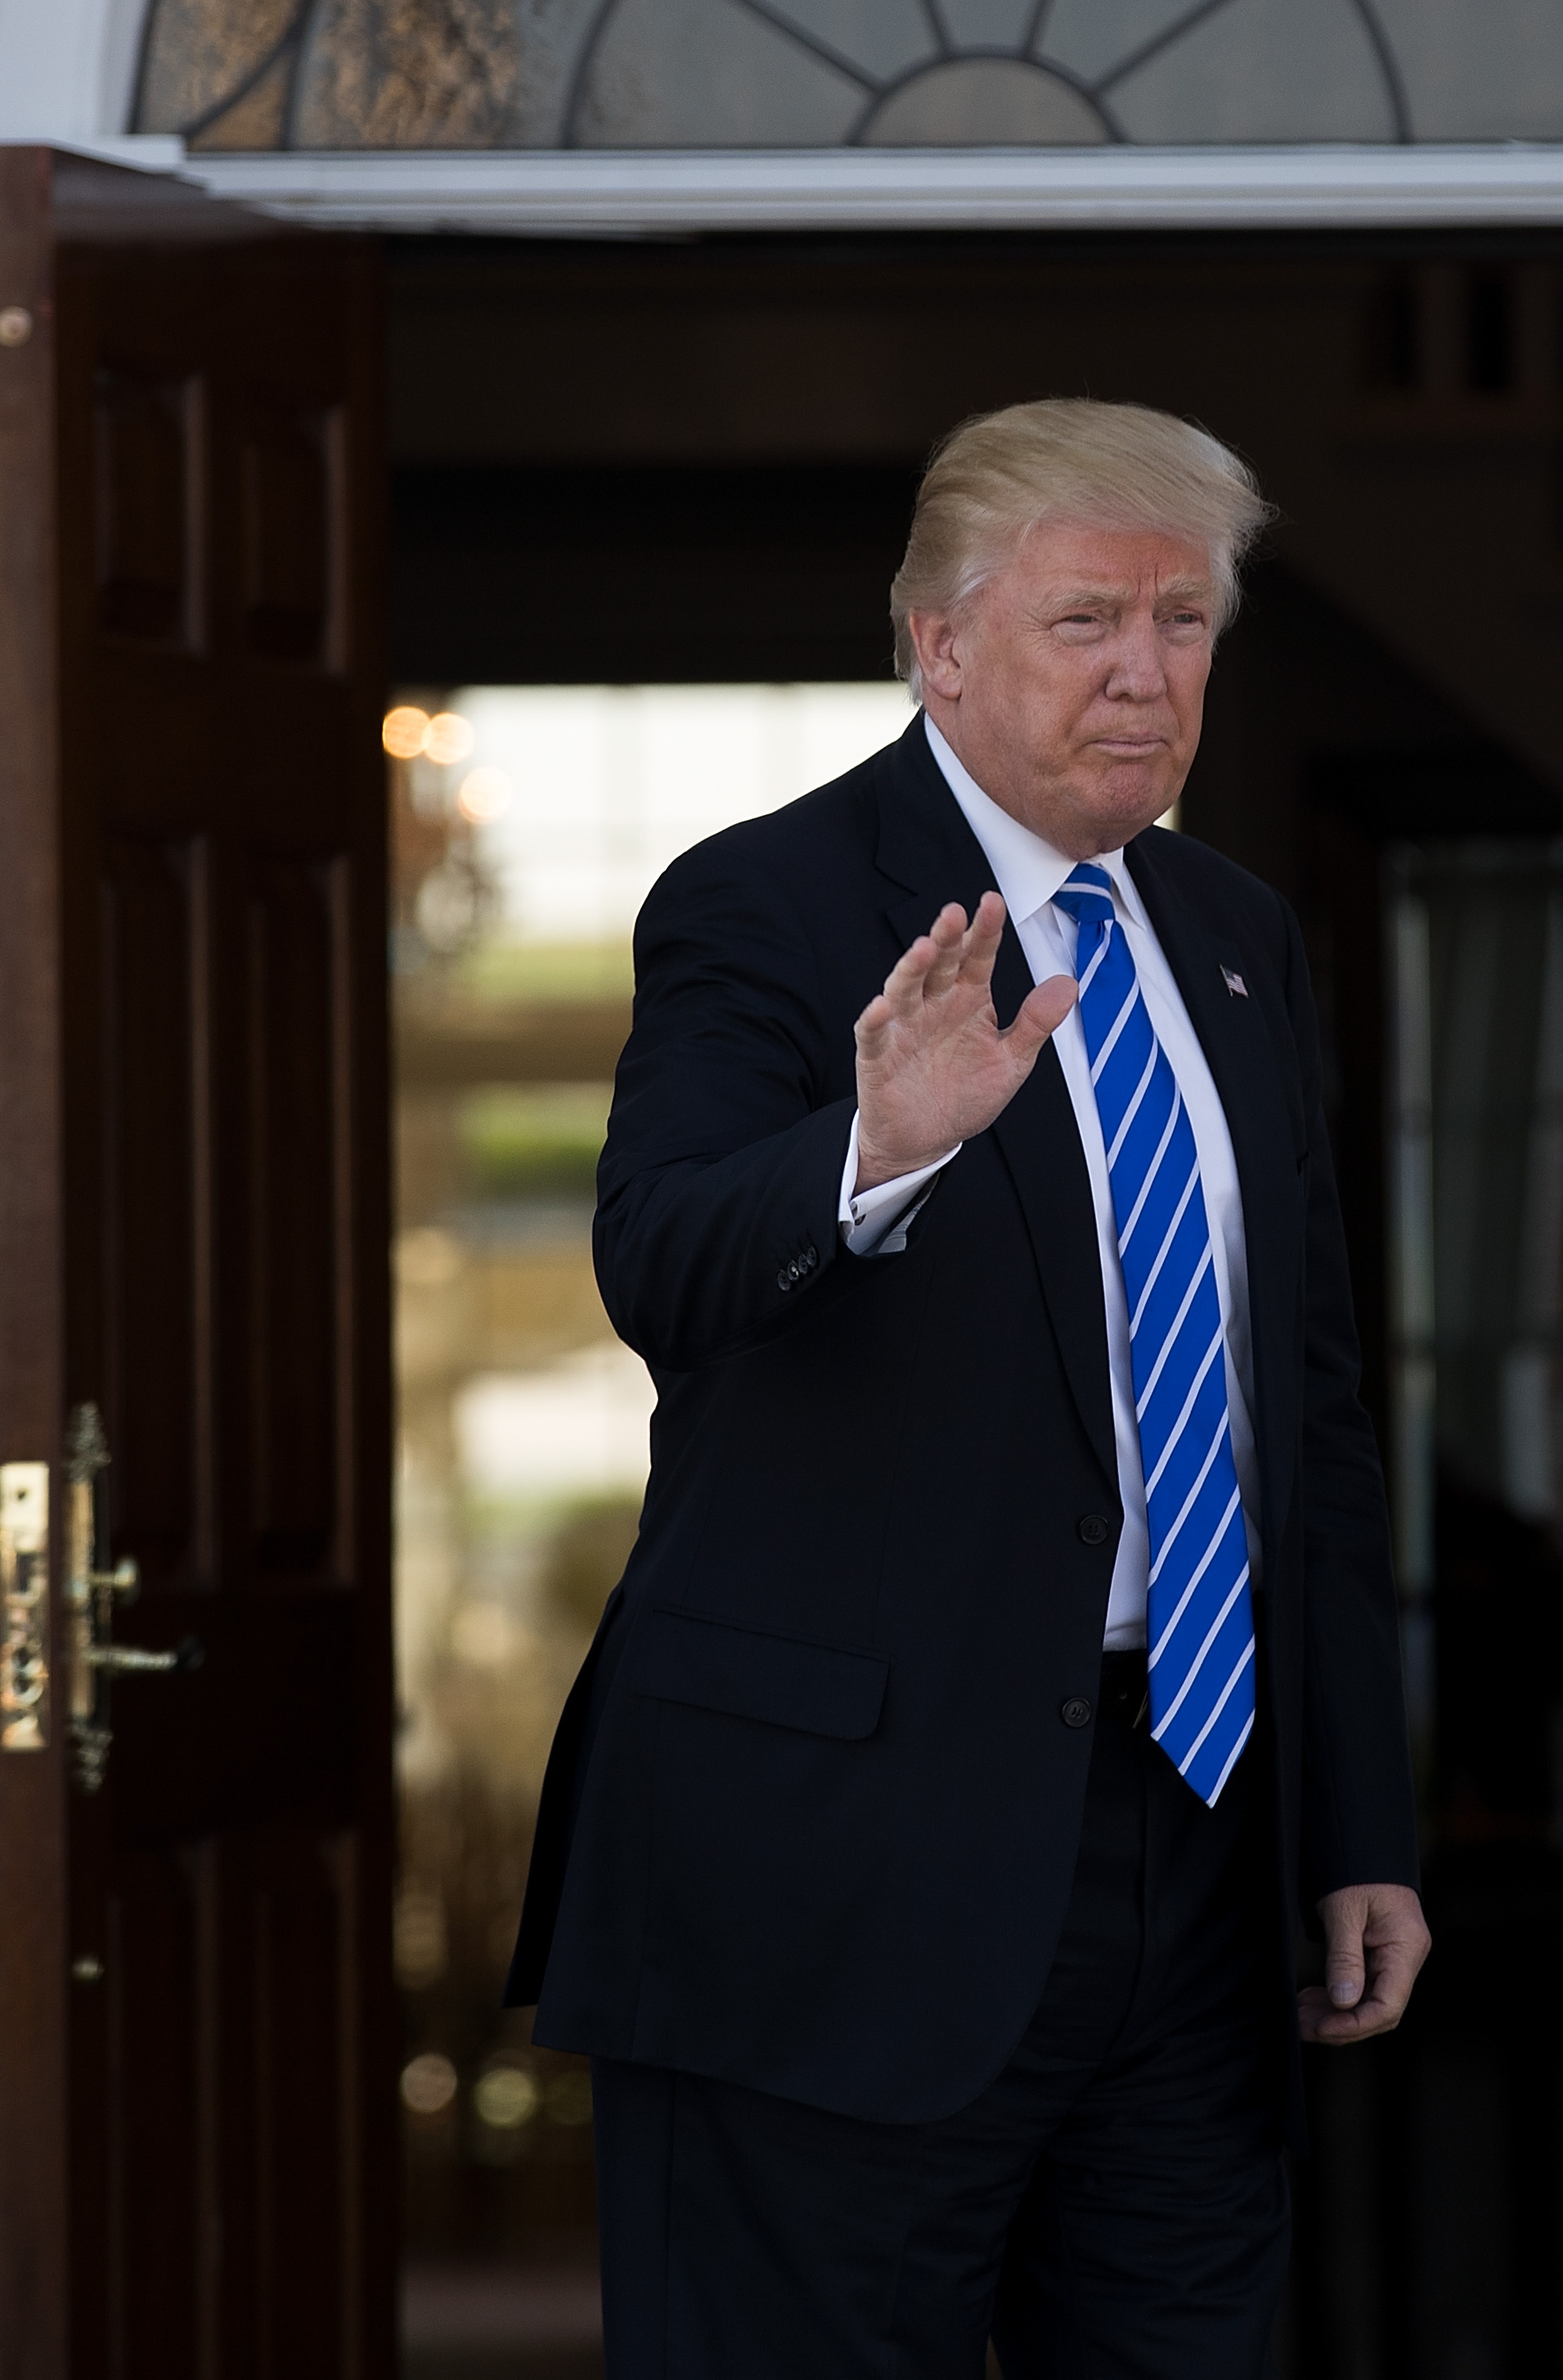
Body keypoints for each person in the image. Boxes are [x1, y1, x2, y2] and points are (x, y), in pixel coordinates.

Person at [506, 399, 1428, 2375]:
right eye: (1088, 615)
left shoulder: (1236, 937)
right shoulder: (767, 901)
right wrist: (874, 1147)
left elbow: (1311, 1424)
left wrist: (1357, 1821)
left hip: (1193, 1846)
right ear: (940, 641)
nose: (1145, 670)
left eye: (1186, 622)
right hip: (837, 1877)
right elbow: (659, 1262)